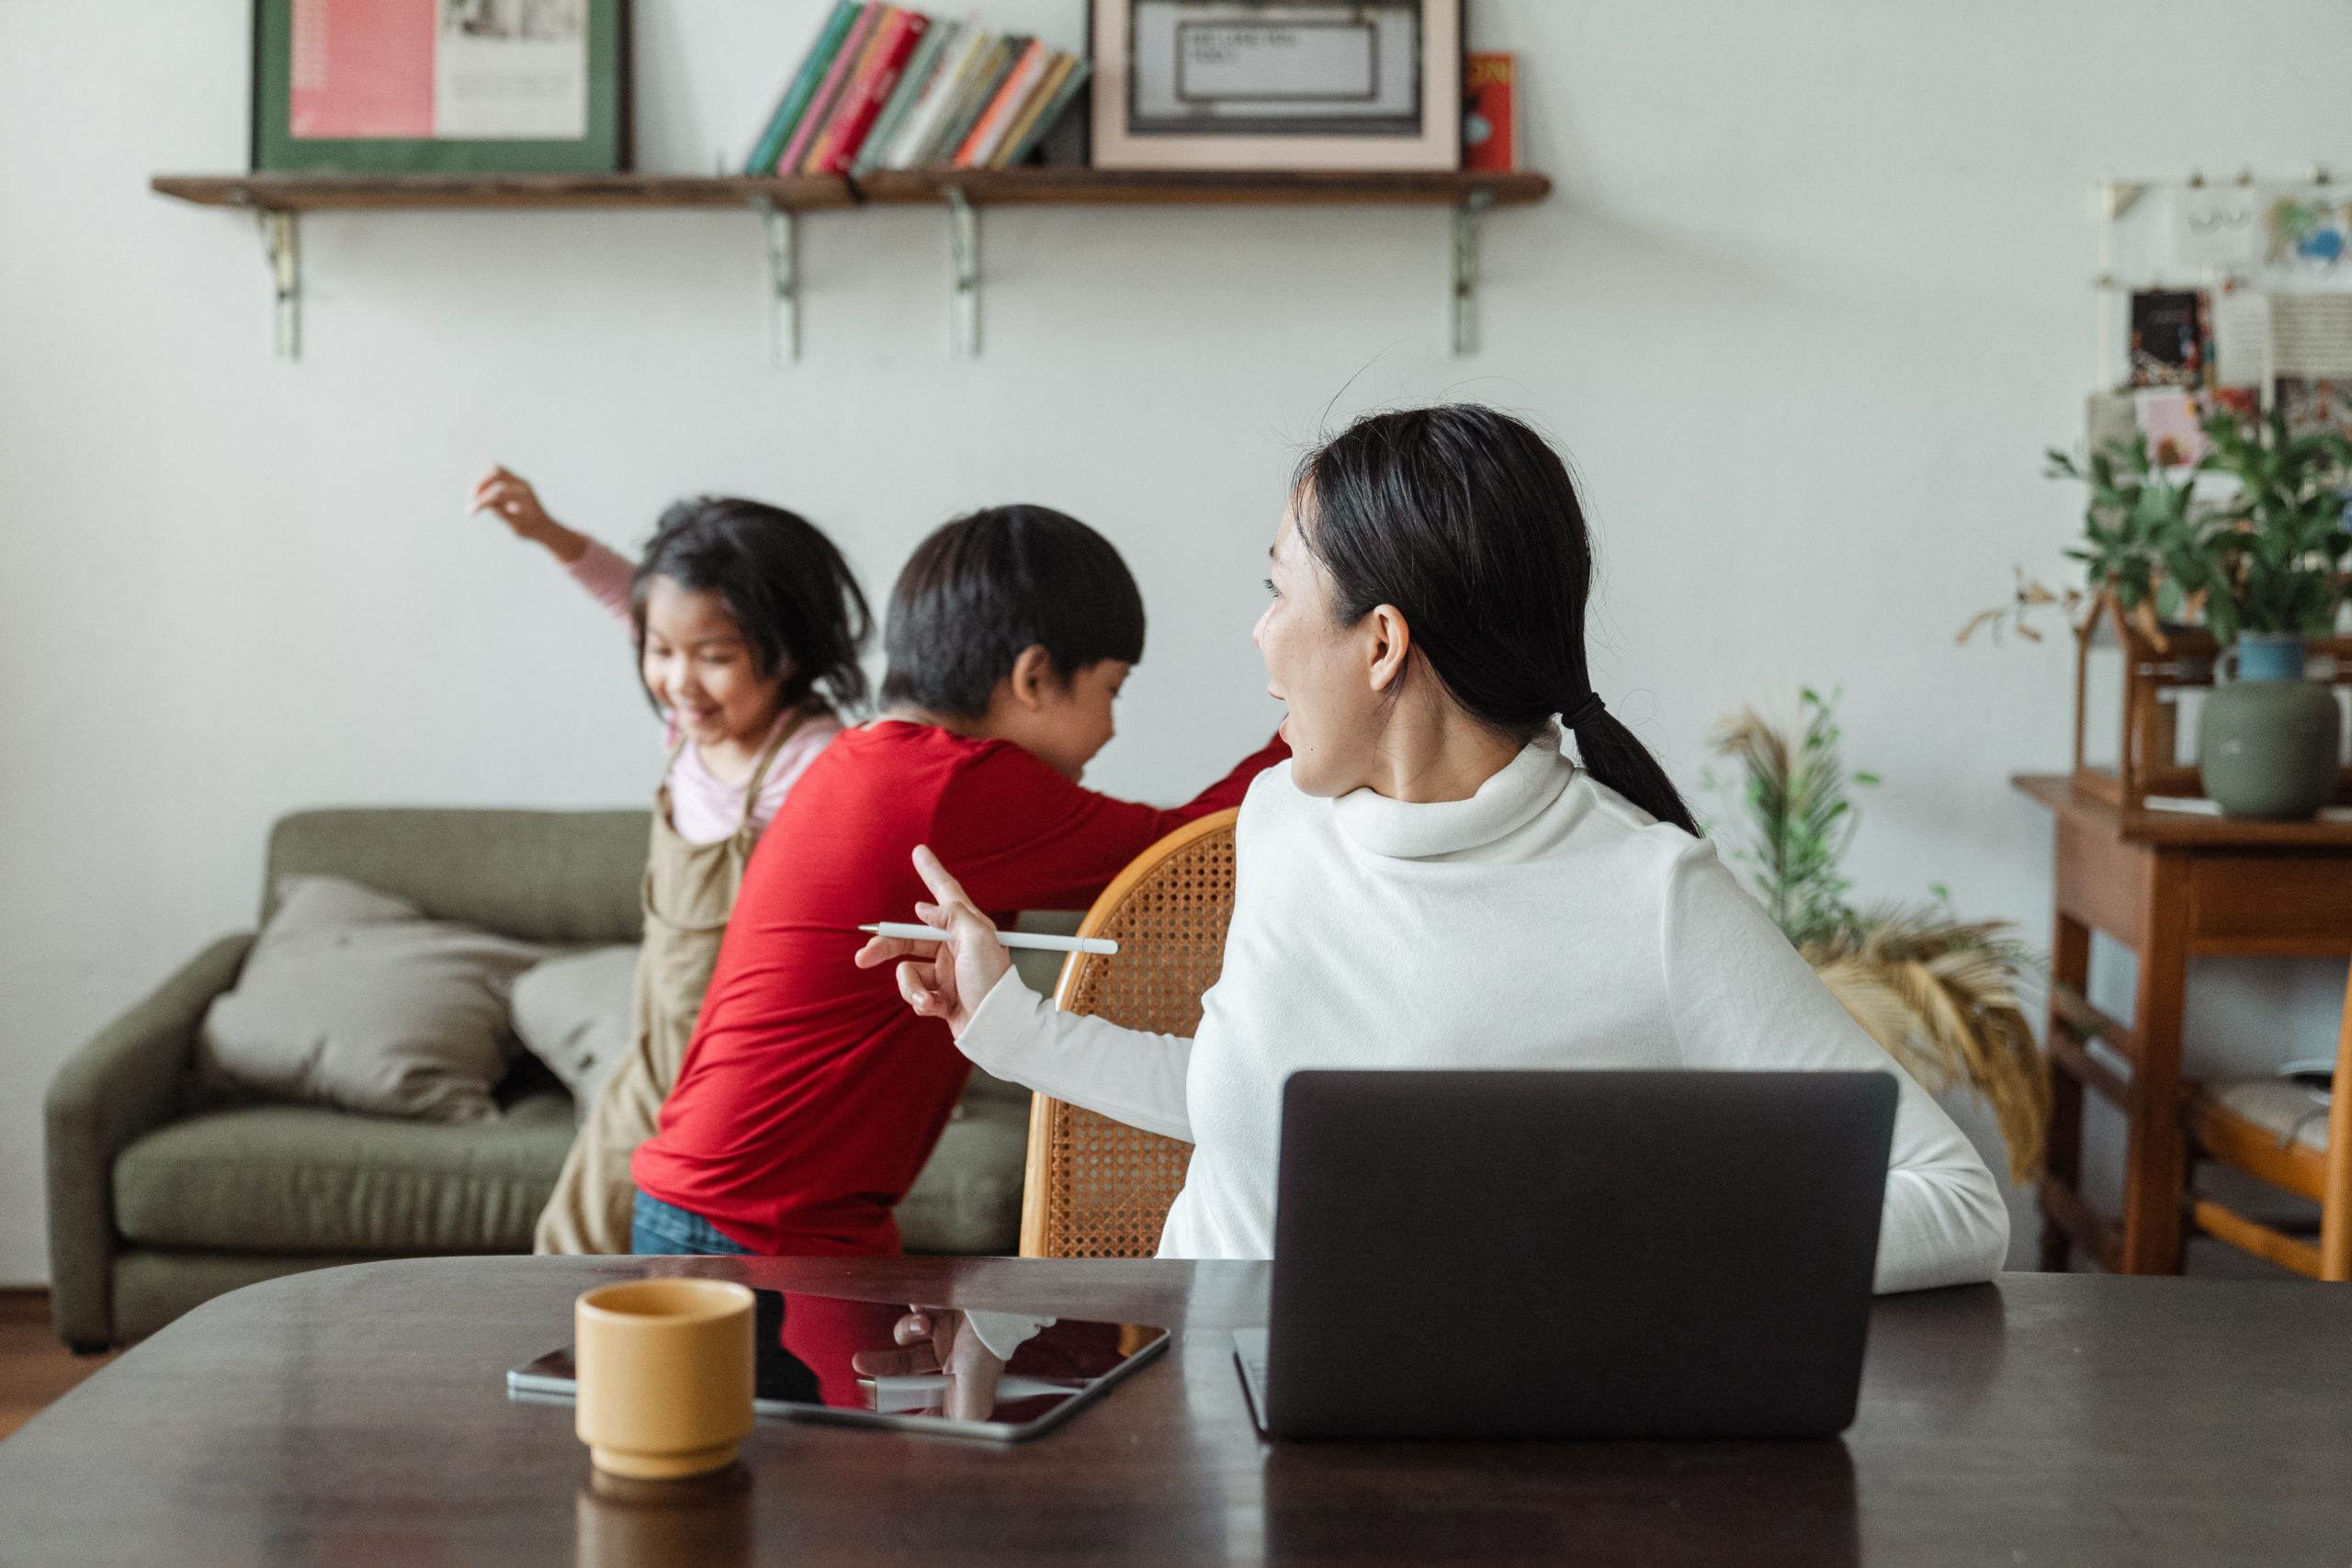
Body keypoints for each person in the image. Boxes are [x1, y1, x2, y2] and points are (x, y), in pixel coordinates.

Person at [858, 406, 2010, 1295]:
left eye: (1275, 590)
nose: (1259, 634)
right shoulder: (1281, 821)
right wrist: (1007, 1024)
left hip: (1464, 1455)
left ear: (1381, 644)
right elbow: (1248, 1107)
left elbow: (1954, 1202)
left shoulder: (1651, 896)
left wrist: (1621, 1242)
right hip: (1199, 1420)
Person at [627, 504, 1290, 1258]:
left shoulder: (871, 759)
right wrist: (1310, 717)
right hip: (755, 1227)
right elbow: (1180, 860)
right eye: (1112, 689)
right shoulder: (950, 786)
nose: (1109, 729)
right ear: (1034, 676)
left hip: (729, 1205)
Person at [465, 468, 871, 1255]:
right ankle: (570, 1375)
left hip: (735, 1075)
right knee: (571, 1238)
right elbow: (634, 599)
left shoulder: (811, 763)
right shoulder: (691, 729)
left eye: (714, 656)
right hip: (652, 1047)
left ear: (787, 650)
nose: (679, 680)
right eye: (661, 651)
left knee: (667, 1259)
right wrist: (552, 536)